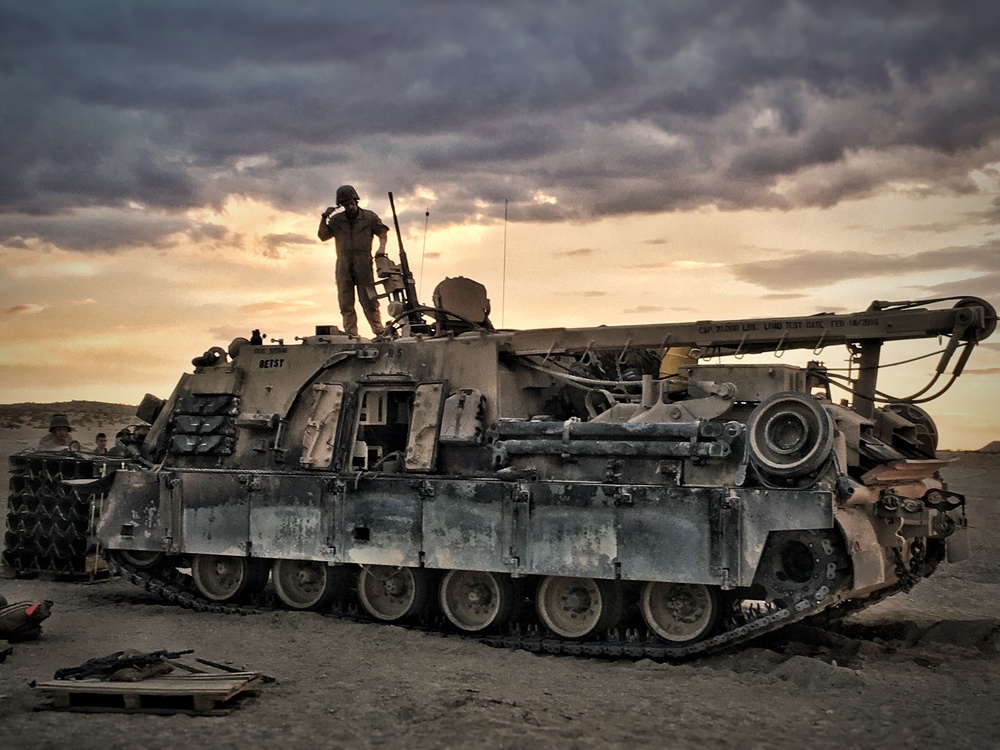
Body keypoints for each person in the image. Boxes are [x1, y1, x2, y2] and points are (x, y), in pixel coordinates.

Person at [317, 185, 389, 337]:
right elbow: (323, 236)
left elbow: (382, 231)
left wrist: (381, 248)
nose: (349, 206)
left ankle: (378, 330)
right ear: (341, 205)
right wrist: (325, 217)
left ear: (356, 201)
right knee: (345, 300)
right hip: (343, 262)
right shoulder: (337, 220)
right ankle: (351, 333)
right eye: (345, 204)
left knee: (369, 299)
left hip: (363, 260)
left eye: (351, 203)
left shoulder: (369, 217)